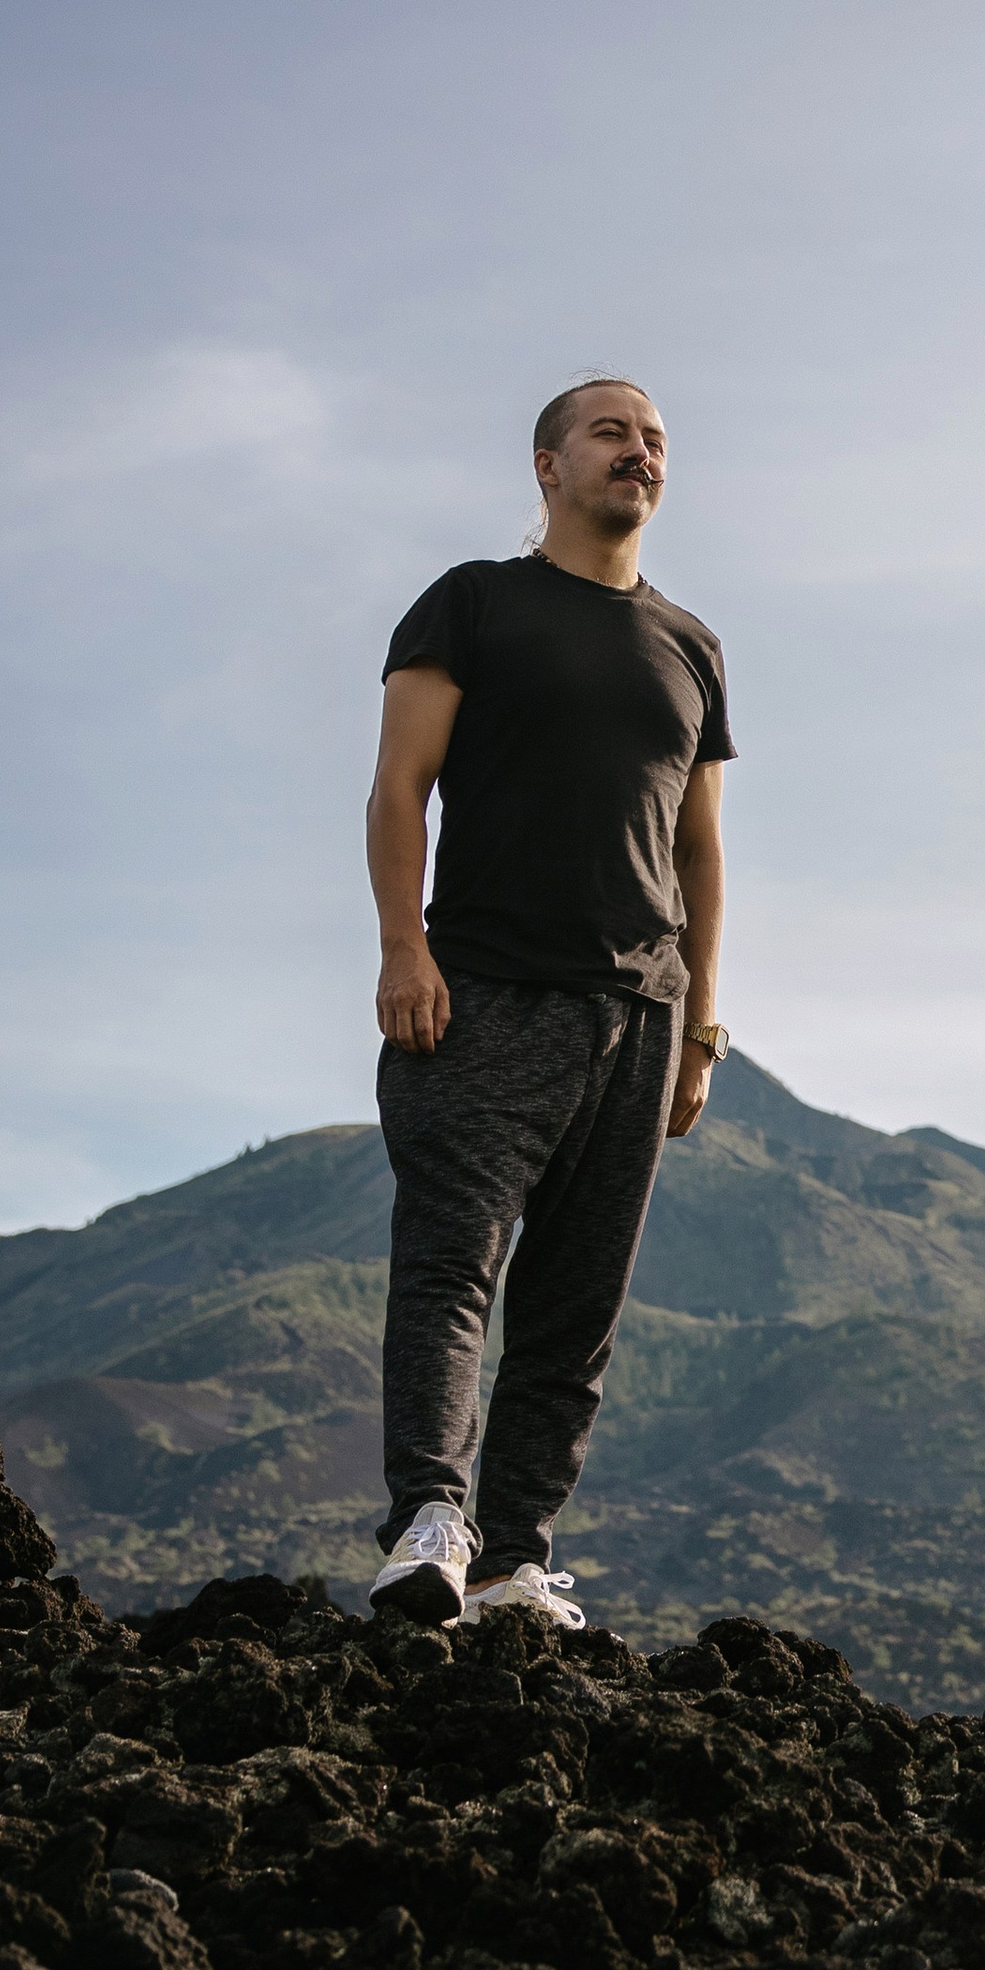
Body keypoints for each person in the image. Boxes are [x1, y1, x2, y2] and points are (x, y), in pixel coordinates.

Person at [363, 375, 732, 1627]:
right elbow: (400, 784)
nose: (640, 452)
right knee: (450, 1267)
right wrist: (403, 950)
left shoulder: (691, 645)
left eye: (655, 439)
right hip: (483, 991)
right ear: (548, 465)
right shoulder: (473, 603)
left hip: (641, 1016)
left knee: (575, 1311)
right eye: (611, 432)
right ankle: (429, 1521)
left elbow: (699, 850)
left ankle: (514, 1560)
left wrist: (701, 1029)